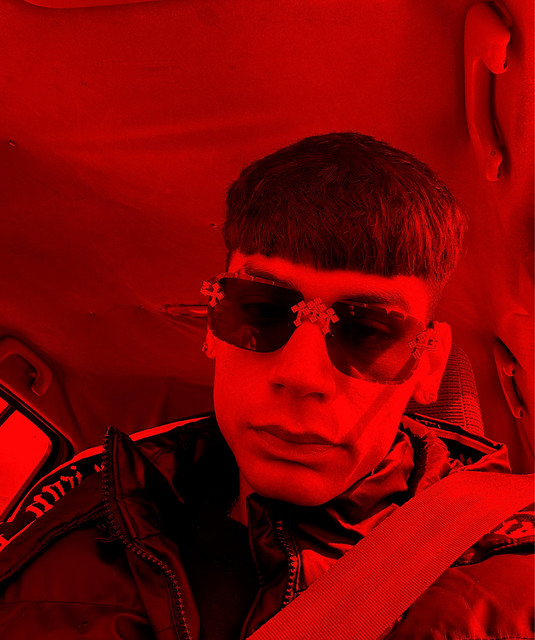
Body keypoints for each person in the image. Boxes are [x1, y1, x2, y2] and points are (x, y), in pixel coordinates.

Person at [0, 132, 532, 639]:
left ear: (428, 364)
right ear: (213, 330)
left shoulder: (514, 589)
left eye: (368, 331)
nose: (300, 375)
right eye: (260, 310)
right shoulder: (65, 539)